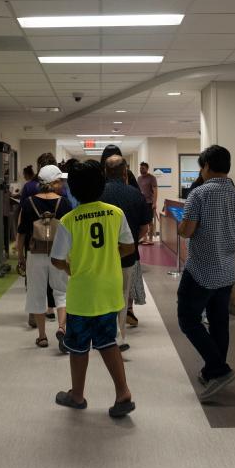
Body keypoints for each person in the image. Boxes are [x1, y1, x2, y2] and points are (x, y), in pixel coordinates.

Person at [50, 160, 136, 418]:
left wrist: (70, 268)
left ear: (73, 190)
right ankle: (123, 393)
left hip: (82, 293)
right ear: (101, 186)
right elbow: (129, 247)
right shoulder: (115, 213)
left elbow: (56, 259)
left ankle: (77, 395)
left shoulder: (69, 220)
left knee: (78, 347)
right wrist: (108, 257)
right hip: (109, 290)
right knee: (107, 342)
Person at [176, 145, 235, 402]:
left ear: (207, 166)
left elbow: (186, 231)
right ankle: (211, 371)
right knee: (219, 321)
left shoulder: (199, 194)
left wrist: (182, 226)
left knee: (188, 319)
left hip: (201, 270)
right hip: (227, 270)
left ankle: (218, 370)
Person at [17, 164, 73, 349]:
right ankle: (62, 327)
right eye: (60, 181)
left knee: (37, 293)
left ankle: (41, 336)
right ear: (53, 182)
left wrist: (20, 257)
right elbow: (69, 233)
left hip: (35, 253)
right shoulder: (64, 202)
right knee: (61, 291)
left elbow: (22, 232)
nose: (62, 185)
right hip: (59, 254)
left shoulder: (28, 202)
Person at [101, 155, 151, 351]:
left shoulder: (98, 195)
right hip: (128, 256)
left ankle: (104, 333)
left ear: (105, 172)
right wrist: (131, 243)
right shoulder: (135, 195)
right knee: (122, 295)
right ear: (124, 172)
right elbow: (144, 229)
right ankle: (119, 337)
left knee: (104, 295)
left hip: (102, 257)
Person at [136, 162, 158, 245]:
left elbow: (155, 191)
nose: (141, 170)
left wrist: (154, 203)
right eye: (140, 168)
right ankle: (144, 238)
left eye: (143, 168)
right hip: (141, 203)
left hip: (149, 202)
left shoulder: (152, 178)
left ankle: (151, 238)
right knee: (143, 221)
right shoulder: (139, 178)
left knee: (150, 222)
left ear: (147, 169)